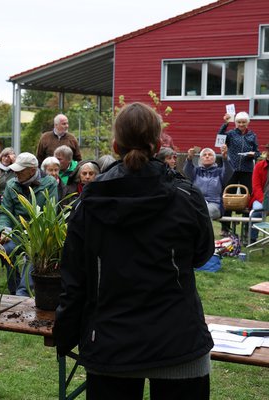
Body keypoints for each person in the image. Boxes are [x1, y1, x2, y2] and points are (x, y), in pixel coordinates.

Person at [54, 102, 214, 400]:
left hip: (114, 343)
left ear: (115, 145)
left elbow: (74, 279)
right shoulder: (186, 196)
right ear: (156, 146)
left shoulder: (89, 203)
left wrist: (64, 335)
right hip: (175, 338)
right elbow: (202, 254)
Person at [0, 152, 58, 295]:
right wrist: (5, 230)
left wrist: (39, 234)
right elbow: (5, 212)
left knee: (33, 253)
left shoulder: (49, 183)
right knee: (6, 250)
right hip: (17, 233)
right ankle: (14, 288)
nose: (15, 172)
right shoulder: (11, 184)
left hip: (39, 233)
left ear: (32, 170)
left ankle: (23, 291)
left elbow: (51, 212)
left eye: (20, 170)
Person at [219, 111, 260, 234]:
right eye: (239, 122)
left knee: (247, 197)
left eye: (243, 122)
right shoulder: (231, 134)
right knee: (228, 197)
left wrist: (254, 154)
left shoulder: (252, 135)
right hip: (232, 168)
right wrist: (225, 123)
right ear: (235, 123)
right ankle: (225, 228)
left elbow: (257, 152)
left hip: (247, 169)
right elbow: (220, 138)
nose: (241, 124)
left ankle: (246, 228)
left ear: (247, 123)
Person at [184, 145, 233, 220]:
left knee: (204, 212)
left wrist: (225, 158)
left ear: (214, 158)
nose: (207, 156)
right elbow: (187, 170)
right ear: (200, 159)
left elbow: (229, 171)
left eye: (210, 155)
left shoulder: (220, 172)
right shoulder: (196, 171)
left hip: (215, 205)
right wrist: (189, 158)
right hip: (197, 203)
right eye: (204, 155)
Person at [248, 144, 269, 242]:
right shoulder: (259, 166)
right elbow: (256, 187)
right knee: (256, 212)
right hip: (261, 198)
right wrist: (264, 201)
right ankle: (252, 239)